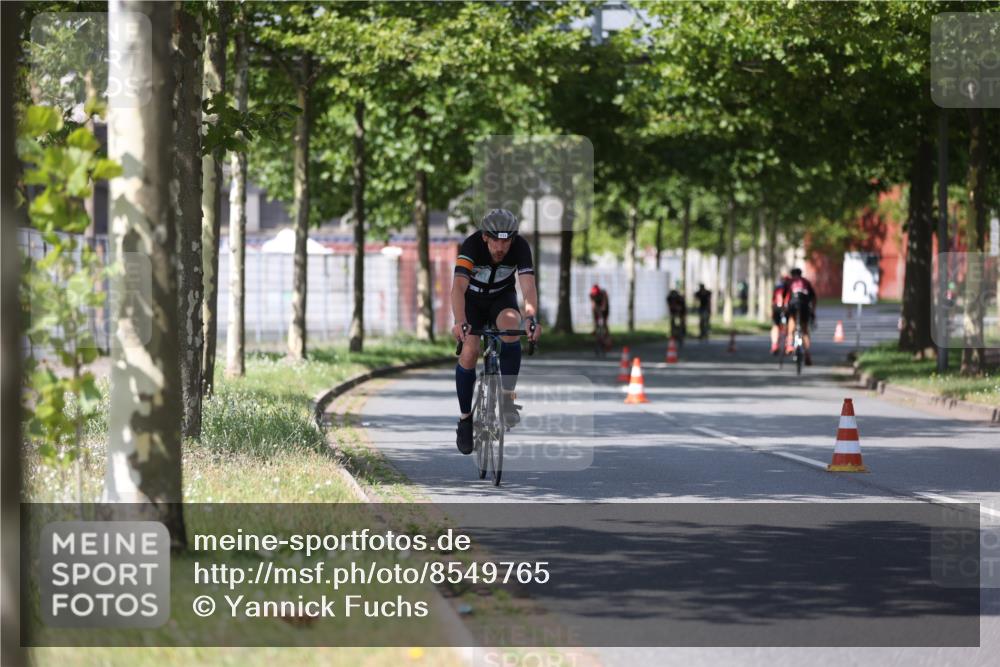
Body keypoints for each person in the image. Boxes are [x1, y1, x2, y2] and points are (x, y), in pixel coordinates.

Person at [451, 209, 541, 455]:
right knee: (469, 350)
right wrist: (460, 321)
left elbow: (527, 286)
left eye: (506, 241)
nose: (501, 247)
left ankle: (507, 396)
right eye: (496, 240)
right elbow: (458, 287)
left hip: (502, 298)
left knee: (512, 327)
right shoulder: (471, 245)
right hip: (472, 302)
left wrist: (531, 318)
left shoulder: (520, 247)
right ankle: (465, 418)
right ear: (485, 237)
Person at [783, 267, 816, 365]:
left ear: (792, 274)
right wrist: (813, 311)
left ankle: (789, 343)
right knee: (805, 330)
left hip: (793, 304)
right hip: (805, 305)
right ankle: (807, 354)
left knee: (792, 321)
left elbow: (784, 296)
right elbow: (814, 298)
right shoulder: (806, 282)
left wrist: (785, 309)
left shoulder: (789, 281)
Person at [769, 275, 790, 355]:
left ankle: (774, 345)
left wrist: (772, 310)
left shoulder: (777, 287)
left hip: (777, 308)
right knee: (789, 326)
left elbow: (773, 300)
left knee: (775, 326)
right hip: (787, 308)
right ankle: (788, 344)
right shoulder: (790, 288)